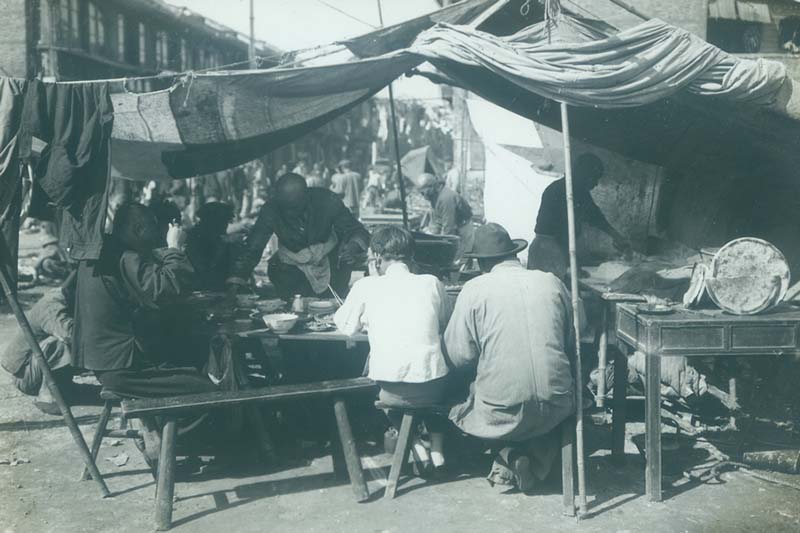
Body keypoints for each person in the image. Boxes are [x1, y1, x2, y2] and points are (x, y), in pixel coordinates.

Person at [444, 223, 575, 492]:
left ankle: (507, 455)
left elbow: (459, 356)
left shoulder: (474, 289)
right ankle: (527, 458)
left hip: (502, 410)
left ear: (481, 262)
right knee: (545, 410)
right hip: (558, 403)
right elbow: (572, 339)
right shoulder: (552, 281)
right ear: (515, 255)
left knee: (464, 398)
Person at [334, 226, 450, 470]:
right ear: (411, 254)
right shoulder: (432, 283)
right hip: (434, 389)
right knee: (443, 377)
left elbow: (345, 326)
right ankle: (438, 451)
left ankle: (417, 445)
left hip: (391, 391)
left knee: (382, 393)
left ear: (376, 257)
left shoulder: (366, 286)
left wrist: (372, 281)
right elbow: (443, 322)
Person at [72, 203, 217, 399]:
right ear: (138, 229)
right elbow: (164, 289)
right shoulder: (125, 256)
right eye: (154, 228)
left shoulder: (101, 250)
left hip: (106, 362)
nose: (157, 235)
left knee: (191, 353)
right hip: (124, 369)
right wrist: (175, 247)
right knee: (208, 389)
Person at [227, 173, 370, 300]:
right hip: (290, 269)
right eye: (285, 208)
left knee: (329, 308)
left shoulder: (327, 200)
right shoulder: (271, 209)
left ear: (306, 196)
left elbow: (356, 230)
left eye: (294, 207)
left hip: (330, 266)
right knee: (292, 306)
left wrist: (352, 247)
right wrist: (235, 282)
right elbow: (253, 246)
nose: (289, 213)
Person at [528, 153, 629, 279]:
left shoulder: (580, 192)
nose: (596, 184)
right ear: (584, 175)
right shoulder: (560, 190)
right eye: (595, 178)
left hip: (557, 248)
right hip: (547, 250)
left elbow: (596, 217)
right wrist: (575, 265)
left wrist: (616, 235)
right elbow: (563, 232)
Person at [1, 273, 77, 415]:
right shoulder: (53, 306)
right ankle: (47, 396)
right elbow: (68, 335)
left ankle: (62, 388)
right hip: (25, 375)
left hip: (34, 368)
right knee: (60, 343)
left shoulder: (64, 298)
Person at [416, 173, 475, 260]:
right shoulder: (434, 197)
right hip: (452, 226)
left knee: (458, 259)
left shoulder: (446, 198)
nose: (423, 196)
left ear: (431, 187)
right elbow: (436, 221)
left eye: (423, 192)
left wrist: (442, 248)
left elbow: (449, 227)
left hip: (462, 229)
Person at [186, 202, 235, 291]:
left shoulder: (214, 237)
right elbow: (204, 272)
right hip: (201, 288)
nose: (226, 226)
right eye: (224, 221)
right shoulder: (196, 239)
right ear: (212, 221)